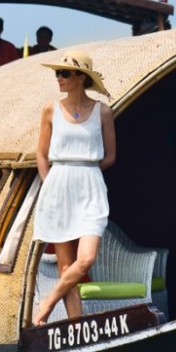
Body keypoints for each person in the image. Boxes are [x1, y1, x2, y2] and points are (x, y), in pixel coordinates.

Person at [32, 50, 115, 325]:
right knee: (65, 265)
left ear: (81, 77)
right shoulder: (50, 110)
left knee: (86, 259)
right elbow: (41, 154)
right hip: (58, 185)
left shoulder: (103, 111)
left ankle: (47, 303)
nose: (59, 78)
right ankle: (75, 327)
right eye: (57, 73)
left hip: (91, 185)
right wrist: (50, 183)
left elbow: (110, 157)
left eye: (65, 73)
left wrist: (85, 172)